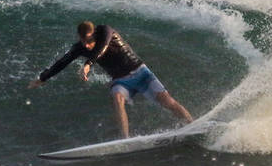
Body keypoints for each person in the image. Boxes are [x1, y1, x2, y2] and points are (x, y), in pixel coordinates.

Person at [28, 21, 193, 138]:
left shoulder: (106, 31)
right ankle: (125, 139)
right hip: (121, 80)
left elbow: (102, 47)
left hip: (140, 72)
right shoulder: (80, 47)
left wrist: (88, 64)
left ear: (93, 33)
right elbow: (62, 62)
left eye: (88, 40)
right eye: (82, 41)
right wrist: (43, 78)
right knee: (117, 97)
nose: (85, 45)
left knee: (167, 101)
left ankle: (191, 124)